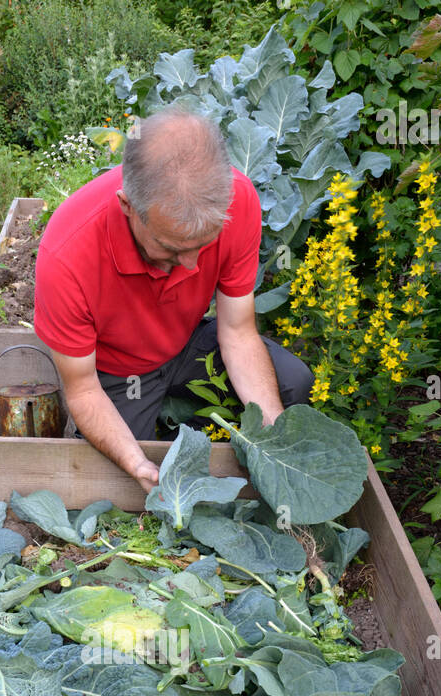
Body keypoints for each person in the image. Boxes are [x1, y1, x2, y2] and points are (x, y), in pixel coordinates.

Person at [33, 105, 314, 493]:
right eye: (170, 249)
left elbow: (237, 331)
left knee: (292, 384)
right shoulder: (66, 254)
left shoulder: (239, 201)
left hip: (186, 343)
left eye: (204, 245)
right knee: (117, 490)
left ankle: (200, 430)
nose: (192, 265)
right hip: (117, 373)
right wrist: (136, 464)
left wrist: (274, 439)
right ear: (128, 206)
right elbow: (82, 389)